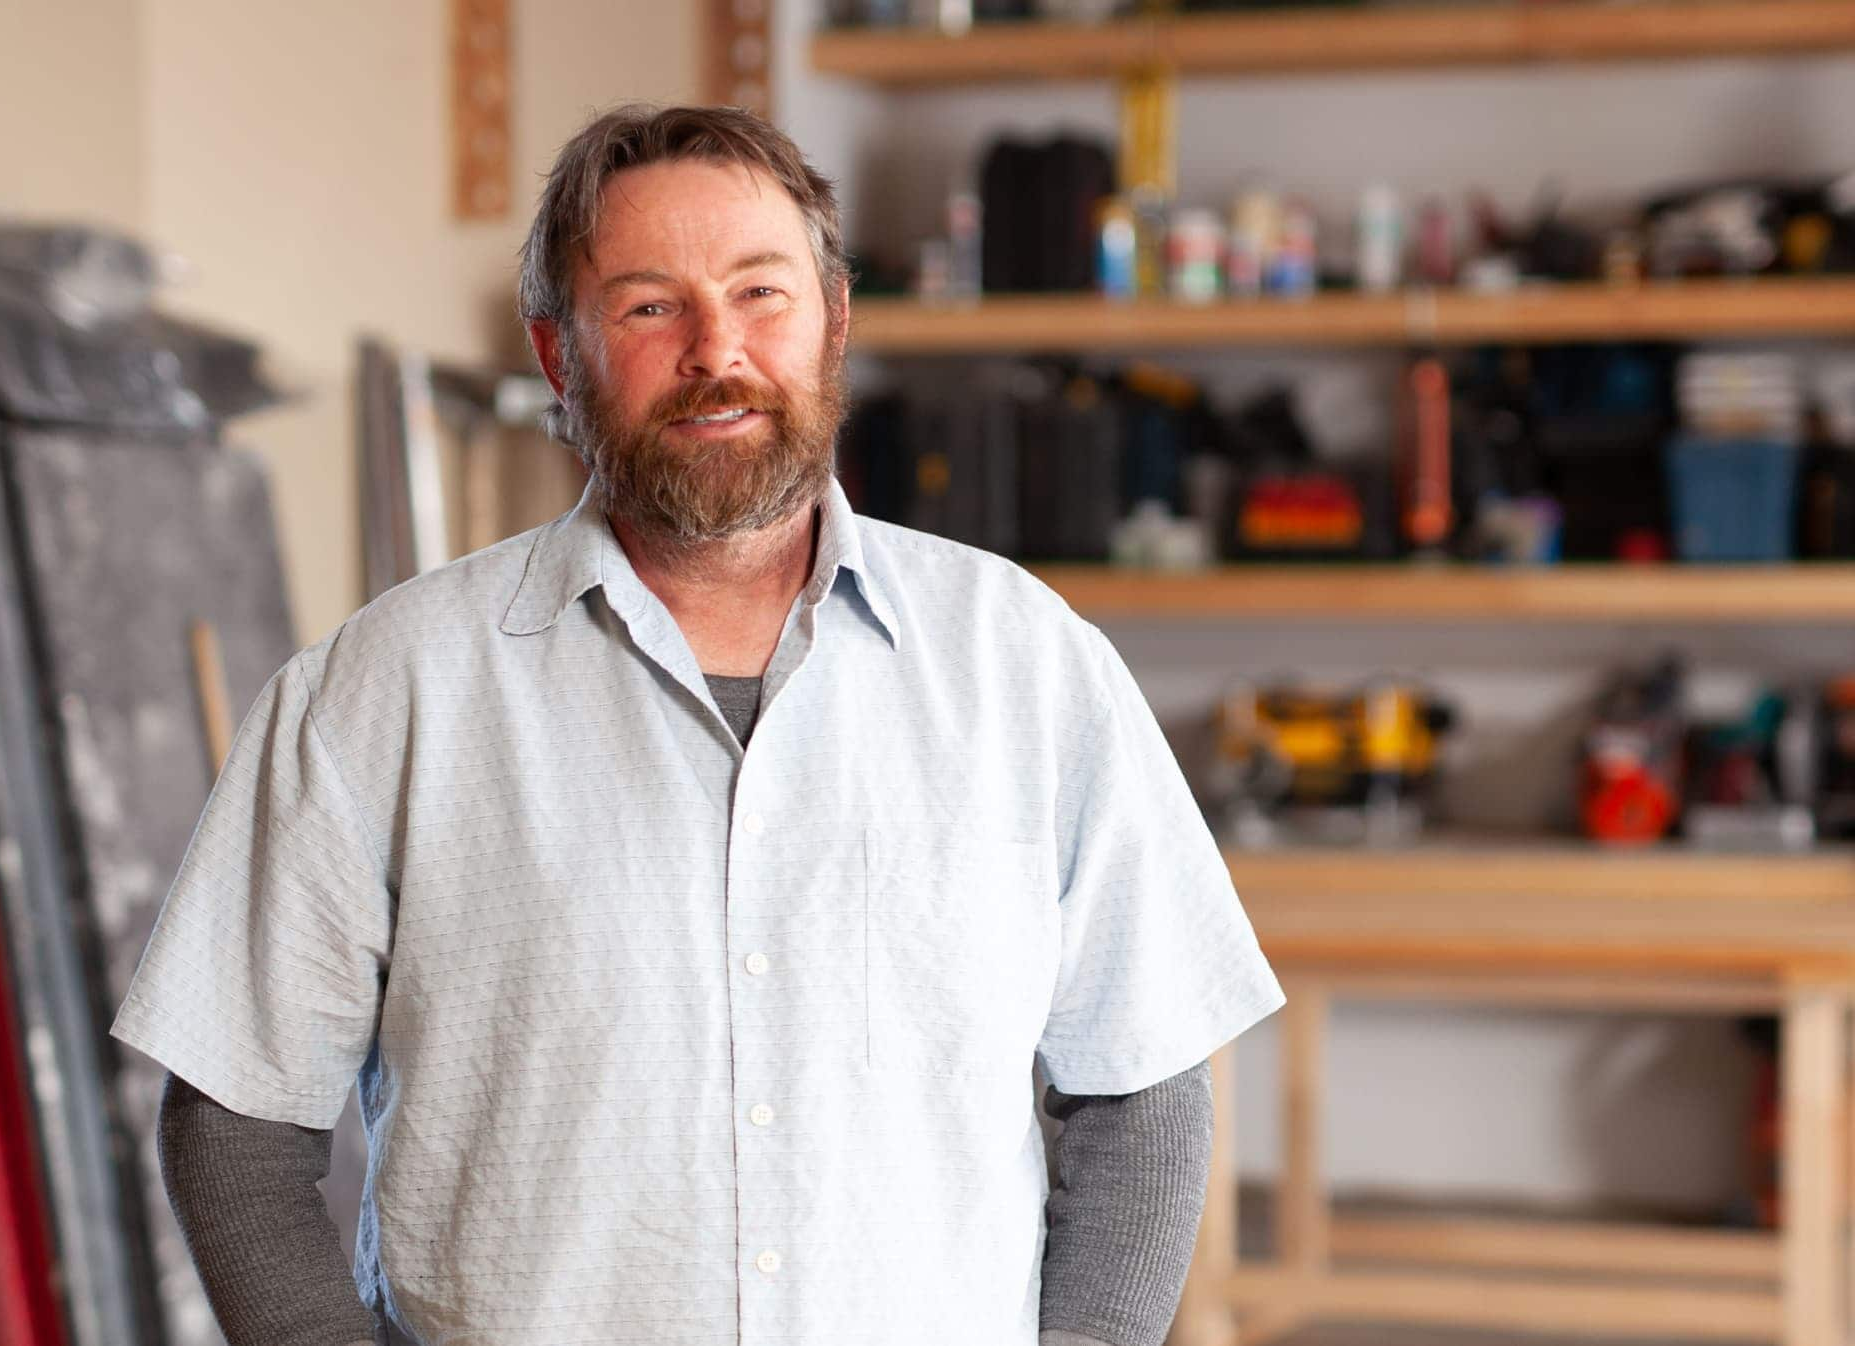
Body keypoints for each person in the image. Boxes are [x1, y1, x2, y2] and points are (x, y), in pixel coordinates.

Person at [112, 103, 1283, 1346]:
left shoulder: (1026, 664)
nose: (716, 349)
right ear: (560, 357)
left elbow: (1142, 1083)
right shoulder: (382, 692)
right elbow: (232, 1119)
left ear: (832, 323)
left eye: (760, 293)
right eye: (648, 305)